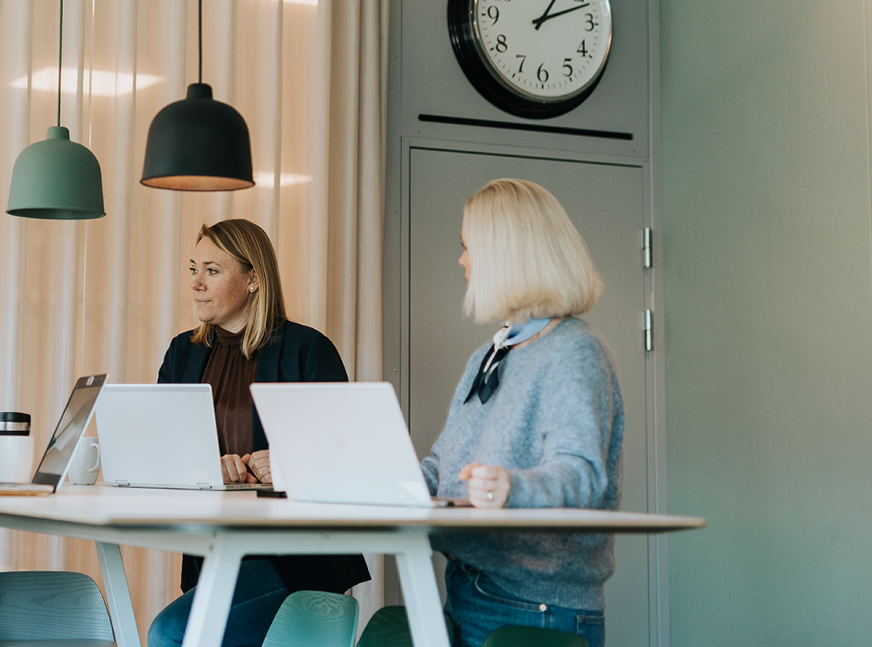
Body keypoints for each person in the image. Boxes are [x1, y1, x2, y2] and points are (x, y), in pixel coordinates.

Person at [146, 219, 370, 647]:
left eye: (212, 270)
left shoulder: (308, 349)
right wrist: (205, 468)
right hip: (214, 554)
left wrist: (287, 467)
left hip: (294, 560)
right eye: (193, 269)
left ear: (253, 279)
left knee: (170, 634)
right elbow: (163, 454)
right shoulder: (182, 353)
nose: (196, 283)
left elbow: (349, 458)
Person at [422, 178, 622, 647]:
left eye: (469, 247)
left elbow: (582, 474)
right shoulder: (490, 355)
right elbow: (444, 464)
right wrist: (382, 481)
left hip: (536, 605)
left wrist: (511, 488)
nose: (462, 261)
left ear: (506, 255)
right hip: (468, 586)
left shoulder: (573, 351)